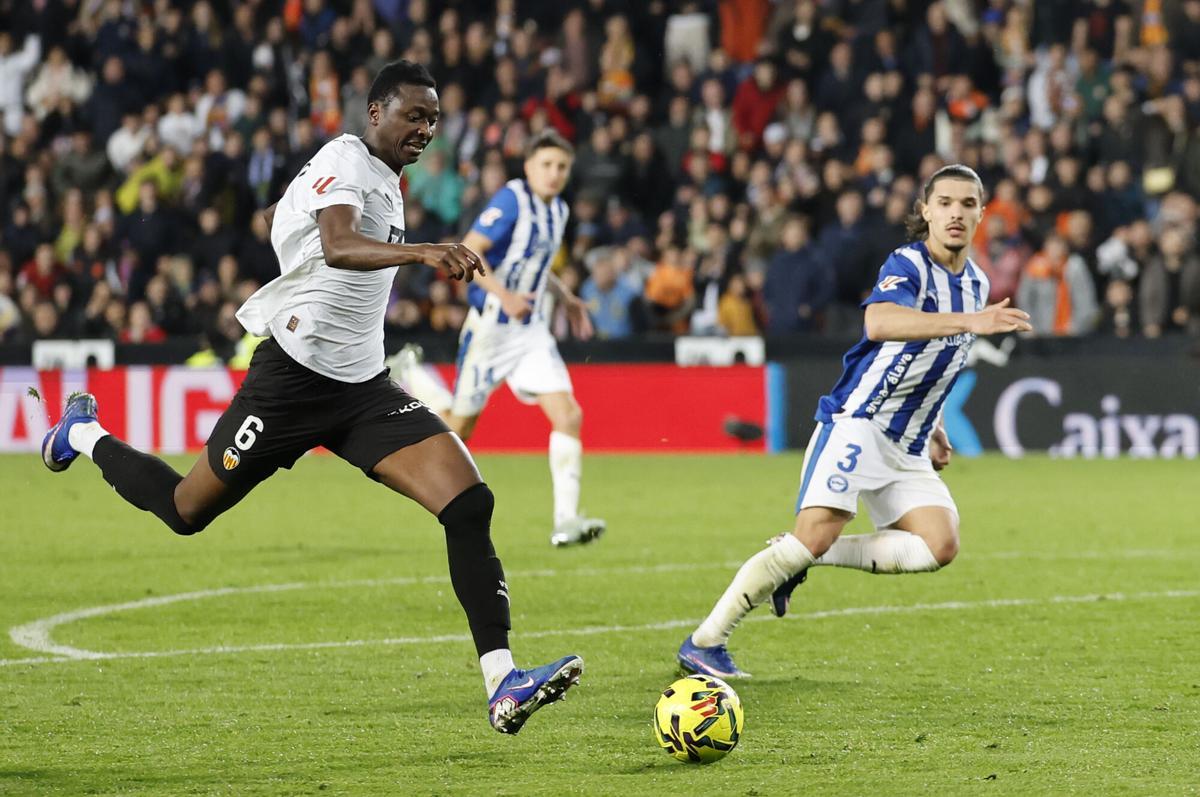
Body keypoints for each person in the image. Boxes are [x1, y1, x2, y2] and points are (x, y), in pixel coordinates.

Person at [40, 60, 583, 734]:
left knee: (469, 501)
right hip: (290, 385)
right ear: (375, 112)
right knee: (185, 510)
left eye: (433, 119)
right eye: (413, 115)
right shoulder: (348, 159)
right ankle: (81, 434)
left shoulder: (387, 179)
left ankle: (503, 683)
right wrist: (421, 254)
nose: (425, 129)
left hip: (362, 390)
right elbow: (337, 244)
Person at [676, 165, 1033, 678]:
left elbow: (941, 360)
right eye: (947, 202)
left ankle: (802, 561)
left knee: (940, 543)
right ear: (926, 211)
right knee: (812, 534)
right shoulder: (907, 263)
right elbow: (879, 321)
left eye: (968, 204)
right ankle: (705, 641)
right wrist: (971, 321)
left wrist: (934, 426)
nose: (956, 213)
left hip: (907, 442)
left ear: (982, 213)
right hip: (860, 423)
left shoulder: (975, 282)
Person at [388, 130, 606, 548]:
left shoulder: (557, 210)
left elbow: (537, 264)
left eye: (561, 167)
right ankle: (412, 374)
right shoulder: (512, 199)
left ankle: (566, 520)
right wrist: (505, 296)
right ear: (528, 167)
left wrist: (567, 298)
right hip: (490, 329)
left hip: (530, 332)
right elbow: (470, 248)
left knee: (569, 415)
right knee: (458, 430)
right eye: (546, 165)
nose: (554, 174)